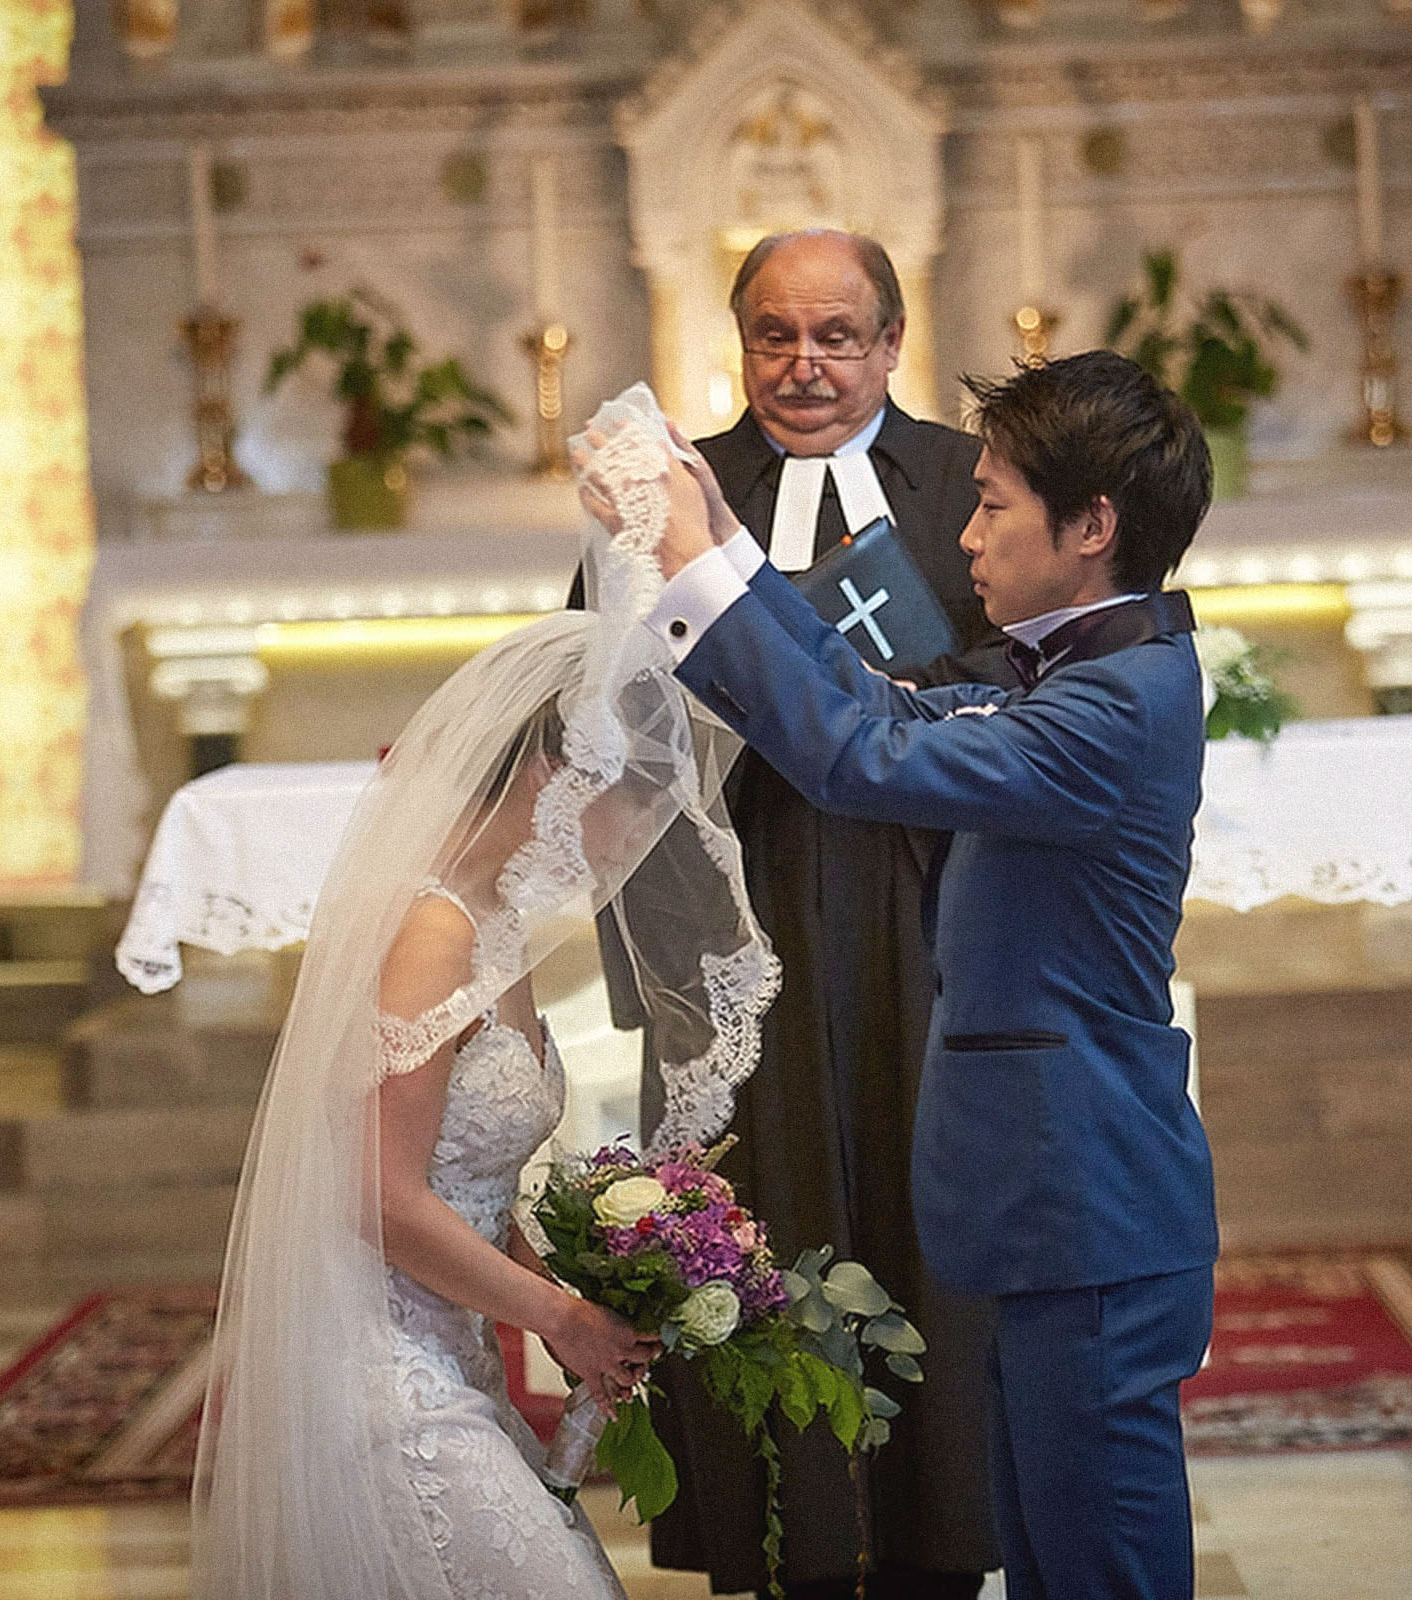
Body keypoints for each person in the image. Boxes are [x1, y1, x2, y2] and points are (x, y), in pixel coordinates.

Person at [601, 350, 1218, 1600]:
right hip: (1045, 1201)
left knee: (1098, 1559)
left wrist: (697, 572)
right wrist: (727, 544)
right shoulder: (1070, 669)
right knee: (1047, 1548)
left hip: (1085, 1199)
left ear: (1092, 526)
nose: (967, 533)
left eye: (993, 505)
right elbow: (869, 696)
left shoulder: (1113, 705)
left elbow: (858, 758)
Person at [190, 450, 779, 1600]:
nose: (635, 834)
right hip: (379, 1378)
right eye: (631, 797)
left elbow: (467, 1173)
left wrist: (577, 1304)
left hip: (453, 1353)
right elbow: (376, 1192)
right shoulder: (432, 938)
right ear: (559, 770)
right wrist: (562, 1311)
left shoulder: (498, 928)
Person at [635, 230, 1010, 1599]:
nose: (805, 365)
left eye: (837, 335)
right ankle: (774, 1532)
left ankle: (943, 1528)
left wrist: (892, 698)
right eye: (775, 336)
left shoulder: (973, 482)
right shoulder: (681, 493)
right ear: (736, 344)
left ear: (893, 342)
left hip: (926, 908)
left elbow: (1018, 666)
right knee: (759, 1207)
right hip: (735, 912)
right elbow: (594, 678)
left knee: (925, 1205)